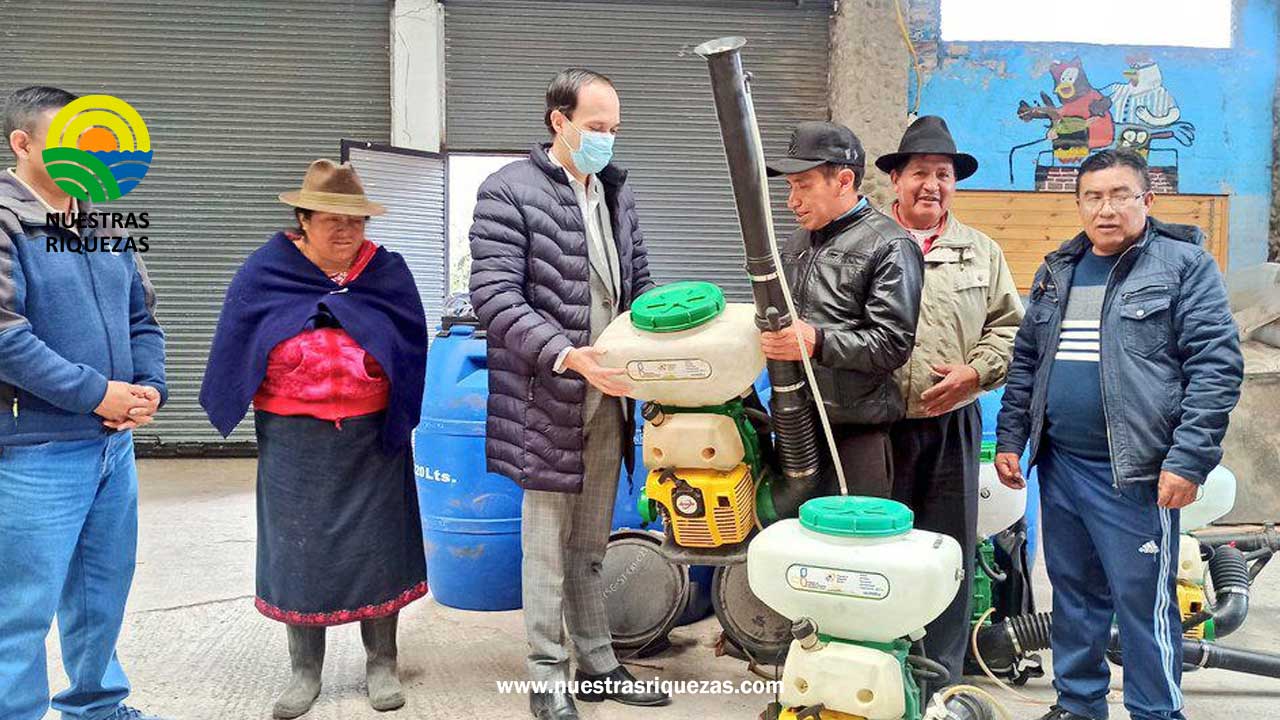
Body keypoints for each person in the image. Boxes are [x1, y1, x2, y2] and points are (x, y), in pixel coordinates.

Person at [995, 149, 1243, 720]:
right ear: (1079, 203)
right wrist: (1013, 438)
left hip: (1136, 473)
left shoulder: (1183, 266)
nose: (1106, 209)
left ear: (1146, 200)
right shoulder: (1059, 270)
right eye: (1093, 197)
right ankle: (1079, 706)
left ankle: (1156, 711)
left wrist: (1188, 460)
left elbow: (1215, 366)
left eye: (1120, 195)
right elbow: (1027, 361)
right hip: (1061, 467)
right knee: (1073, 595)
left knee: (1142, 603)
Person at [468, 68, 668, 720]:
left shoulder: (615, 191)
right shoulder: (508, 192)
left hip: (610, 393)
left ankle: (598, 663)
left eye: (614, 129)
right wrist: (565, 354)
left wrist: (657, 359)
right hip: (546, 396)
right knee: (546, 547)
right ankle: (547, 678)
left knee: (590, 544)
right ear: (559, 121)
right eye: (595, 128)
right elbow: (494, 297)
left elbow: (637, 285)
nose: (607, 140)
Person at [201, 159, 428, 717]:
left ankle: (382, 662)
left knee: (380, 545)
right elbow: (241, 335)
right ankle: (305, 671)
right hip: (294, 436)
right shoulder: (266, 271)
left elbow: (408, 338)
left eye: (356, 221)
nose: (346, 231)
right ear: (303, 220)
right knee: (298, 551)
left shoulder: (386, 272)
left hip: (372, 435)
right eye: (331, 219)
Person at [0, 86, 167, 720]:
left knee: (100, 593)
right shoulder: (5, 217)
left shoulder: (101, 223)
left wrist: (148, 388)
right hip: (31, 448)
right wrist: (97, 393)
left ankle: (96, 705)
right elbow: (4, 336)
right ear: (24, 144)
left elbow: (142, 318)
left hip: (111, 447)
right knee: (20, 606)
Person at [876, 115, 1024, 685]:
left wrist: (975, 373)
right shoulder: (866, 240)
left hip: (951, 421)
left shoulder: (979, 252)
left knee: (947, 550)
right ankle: (879, 663)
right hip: (874, 424)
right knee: (874, 544)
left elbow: (1010, 328)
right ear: (896, 180)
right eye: (919, 173)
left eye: (943, 174)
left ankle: (939, 674)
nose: (931, 184)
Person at [760, 120, 924, 497]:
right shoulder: (795, 243)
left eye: (804, 185)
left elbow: (892, 344)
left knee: (854, 550)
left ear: (845, 180)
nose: (792, 201)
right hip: (795, 425)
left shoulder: (890, 245)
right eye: (789, 187)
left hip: (856, 435)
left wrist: (817, 341)